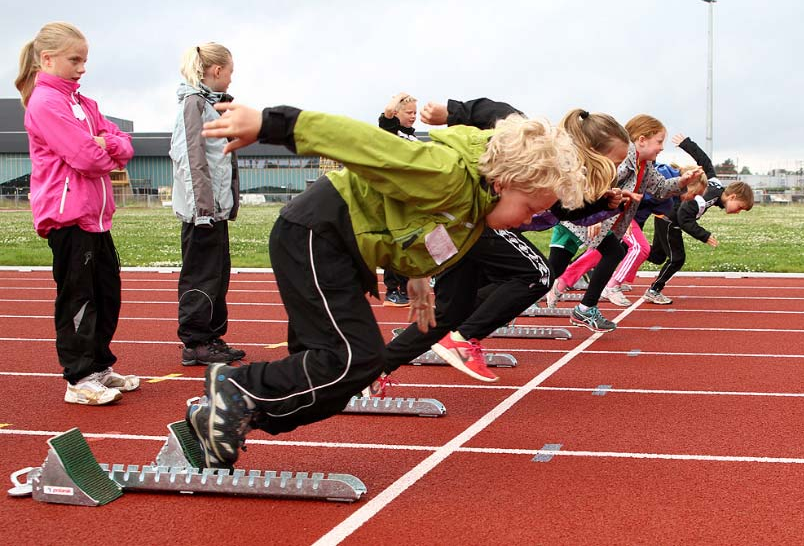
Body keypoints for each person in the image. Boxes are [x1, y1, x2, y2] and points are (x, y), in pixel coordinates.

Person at [183, 101, 587, 468]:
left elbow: (415, 219)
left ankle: (232, 414)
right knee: (352, 358)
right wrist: (270, 124)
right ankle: (235, 387)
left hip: (339, 247)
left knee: (343, 378)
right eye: (530, 208)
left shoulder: (475, 205)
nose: (528, 221)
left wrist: (417, 276)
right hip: (316, 231)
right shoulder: (445, 172)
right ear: (503, 181)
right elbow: (360, 142)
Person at [381, 101, 626, 384]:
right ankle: (464, 338)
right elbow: (496, 111)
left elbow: (562, 211)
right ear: (593, 150)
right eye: (615, 161)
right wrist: (452, 112)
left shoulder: (565, 173)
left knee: (451, 312)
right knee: (538, 273)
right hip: (473, 218)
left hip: (462, 230)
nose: (617, 168)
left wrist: (604, 203)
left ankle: (375, 372)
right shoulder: (540, 142)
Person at [15, 22, 139, 405]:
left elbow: (124, 145)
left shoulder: (85, 104)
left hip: (96, 216)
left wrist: (106, 143)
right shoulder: (46, 103)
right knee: (79, 298)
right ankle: (78, 377)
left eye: (84, 60)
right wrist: (104, 148)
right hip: (68, 217)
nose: (82, 67)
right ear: (47, 59)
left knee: (106, 293)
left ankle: (99, 366)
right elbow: (87, 158)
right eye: (74, 60)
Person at [547, 114, 702, 331]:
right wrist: (593, 214)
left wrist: (682, 182)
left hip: (601, 222)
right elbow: (596, 180)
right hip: (578, 221)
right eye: (659, 141)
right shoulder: (621, 158)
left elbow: (659, 189)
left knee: (611, 252)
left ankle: (582, 308)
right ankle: (506, 298)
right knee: (551, 269)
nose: (662, 148)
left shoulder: (644, 165)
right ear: (641, 140)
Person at [170, 43, 245, 366]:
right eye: (229, 72)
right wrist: (202, 209)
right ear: (216, 71)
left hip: (215, 212)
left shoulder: (213, 105)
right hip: (202, 214)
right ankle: (196, 342)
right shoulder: (193, 105)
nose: (231, 79)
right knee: (201, 276)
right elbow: (191, 157)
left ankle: (212, 336)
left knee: (217, 275)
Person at [644, 133, 754, 304]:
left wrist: (687, 144)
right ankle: (653, 290)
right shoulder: (708, 198)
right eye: (739, 207)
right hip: (669, 221)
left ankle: (624, 251)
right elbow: (684, 217)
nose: (737, 212)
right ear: (732, 197)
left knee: (657, 256)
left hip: (664, 217)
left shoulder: (716, 185)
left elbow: (706, 162)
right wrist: (703, 235)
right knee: (677, 259)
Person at [378, 92, 419, 306]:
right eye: (409, 112)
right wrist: (397, 98)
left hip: (410, 196)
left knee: (410, 242)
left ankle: (405, 288)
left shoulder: (412, 137)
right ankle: (392, 291)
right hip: (393, 196)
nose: (413, 116)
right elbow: (386, 116)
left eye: (415, 112)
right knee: (395, 243)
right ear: (397, 112)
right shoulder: (390, 132)